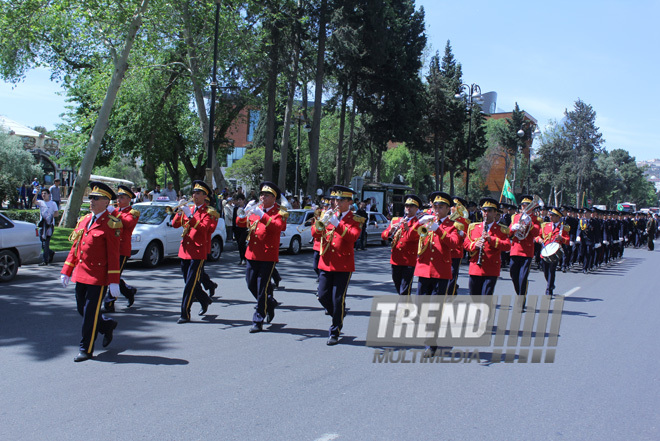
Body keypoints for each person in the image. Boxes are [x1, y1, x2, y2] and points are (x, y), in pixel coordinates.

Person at [60, 181, 122, 362]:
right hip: (81, 273)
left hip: (98, 276)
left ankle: (85, 348)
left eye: (96, 198)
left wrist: (114, 281)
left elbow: (113, 254)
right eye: (91, 198)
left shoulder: (112, 224)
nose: (91, 201)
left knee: (89, 314)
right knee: (82, 309)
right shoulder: (85, 220)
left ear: (106, 202)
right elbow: (76, 247)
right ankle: (106, 325)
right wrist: (66, 270)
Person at [312, 185, 363, 345]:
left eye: (340, 200)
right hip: (326, 262)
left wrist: (337, 223)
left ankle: (335, 330)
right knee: (322, 295)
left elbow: (353, 237)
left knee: (337, 298)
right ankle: (338, 313)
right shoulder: (329, 214)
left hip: (343, 265)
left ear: (349, 202)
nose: (336, 203)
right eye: (334, 199)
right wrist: (321, 220)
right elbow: (315, 233)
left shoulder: (356, 219)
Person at [244, 182, 287, 333]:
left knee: (262, 288)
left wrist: (263, 216)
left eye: (266, 195)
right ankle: (270, 302)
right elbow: (242, 223)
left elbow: (277, 227)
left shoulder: (280, 212)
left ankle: (258, 319)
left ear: (274, 198)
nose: (262, 197)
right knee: (250, 283)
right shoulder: (256, 210)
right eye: (261, 194)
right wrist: (244, 212)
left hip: (268, 255)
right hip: (252, 253)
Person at [171, 180, 214, 323]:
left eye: (198, 193)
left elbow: (204, 229)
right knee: (190, 283)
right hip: (185, 250)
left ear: (204, 196)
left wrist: (190, 215)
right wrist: (179, 212)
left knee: (189, 284)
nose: (195, 195)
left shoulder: (209, 212)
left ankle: (185, 313)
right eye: (194, 192)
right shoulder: (188, 208)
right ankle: (204, 299)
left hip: (198, 251)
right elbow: (175, 225)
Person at [414, 192, 459, 296]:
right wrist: (418, 223)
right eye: (436, 207)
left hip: (440, 270)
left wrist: (438, 230)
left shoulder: (453, 226)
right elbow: (411, 237)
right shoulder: (427, 222)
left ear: (448, 209)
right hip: (424, 269)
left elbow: (454, 244)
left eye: (441, 207)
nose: (437, 210)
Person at [102, 185, 140, 312]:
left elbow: (127, 223)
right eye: (118, 196)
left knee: (114, 275)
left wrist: (114, 212)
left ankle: (109, 303)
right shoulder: (115, 210)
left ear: (129, 199)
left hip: (122, 249)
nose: (119, 199)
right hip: (110, 247)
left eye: (122, 197)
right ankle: (129, 291)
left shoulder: (133, 213)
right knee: (111, 275)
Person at [464, 198, 511, 296]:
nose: (486, 213)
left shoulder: (501, 230)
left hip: (491, 268)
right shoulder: (473, 227)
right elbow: (466, 244)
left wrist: (491, 239)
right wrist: (474, 245)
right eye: (484, 211)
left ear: (495, 213)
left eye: (489, 211)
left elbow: (507, 246)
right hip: (475, 268)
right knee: (474, 297)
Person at [381, 194, 422, 295]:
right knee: (397, 284)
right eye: (407, 206)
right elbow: (383, 236)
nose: (408, 208)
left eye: (411, 206)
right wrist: (391, 231)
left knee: (404, 289)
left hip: (409, 260)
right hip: (396, 259)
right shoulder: (396, 220)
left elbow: (413, 237)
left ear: (417, 209)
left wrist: (407, 227)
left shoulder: (419, 223)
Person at [508, 195, 540, 300]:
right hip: (515, 249)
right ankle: (520, 293)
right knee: (513, 274)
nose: (524, 207)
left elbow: (536, 232)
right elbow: (508, 233)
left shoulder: (535, 219)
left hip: (527, 251)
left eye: (526, 205)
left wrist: (529, 224)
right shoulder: (516, 217)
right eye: (522, 205)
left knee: (523, 277)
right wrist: (513, 228)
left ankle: (521, 299)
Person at [539, 207, 570, 297]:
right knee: (545, 271)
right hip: (544, 251)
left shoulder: (563, 228)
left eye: (552, 215)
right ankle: (551, 284)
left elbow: (567, 240)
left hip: (555, 253)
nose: (550, 217)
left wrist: (562, 238)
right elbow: (538, 236)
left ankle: (549, 290)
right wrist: (539, 240)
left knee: (552, 271)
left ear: (558, 217)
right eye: (550, 215)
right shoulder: (545, 225)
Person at [34, 188, 59, 266]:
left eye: (45, 193)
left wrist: (50, 217)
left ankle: (45, 260)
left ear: (49, 194)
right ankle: (50, 253)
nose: (43, 195)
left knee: (46, 243)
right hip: (42, 225)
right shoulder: (41, 203)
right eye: (42, 194)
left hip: (49, 226)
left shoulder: (53, 203)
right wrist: (36, 193)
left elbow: (57, 213)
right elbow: (33, 202)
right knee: (42, 243)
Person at [233, 194, 248, 265]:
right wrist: (234, 229)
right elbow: (234, 219)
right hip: (237, 228)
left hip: (245, 229)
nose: (239, 201)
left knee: (242, 243)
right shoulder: (235, 209)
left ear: (243, 200)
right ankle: (241, 258)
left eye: (240, 200)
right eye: (238, 200)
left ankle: (245, 258)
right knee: (239, 244)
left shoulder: (247, 208)